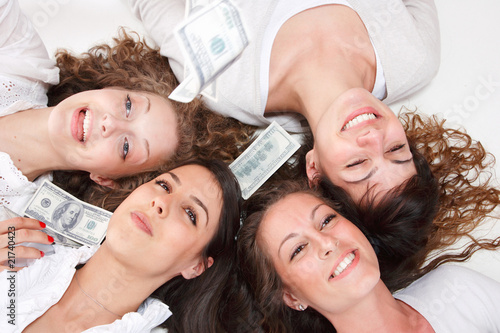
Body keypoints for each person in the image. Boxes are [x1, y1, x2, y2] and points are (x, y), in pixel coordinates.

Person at [0, 0, 254, 264]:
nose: (110, 124)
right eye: (129, 105)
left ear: (106, 178)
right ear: (112, 86)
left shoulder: (18, 236)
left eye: (126, 147)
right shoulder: (18, 55)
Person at [130, 0, 440, 201]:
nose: (373, 137)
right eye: (396, 149)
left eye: (357, 163)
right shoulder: (413, 57)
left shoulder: (224, 85)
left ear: (314, 169)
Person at [0, 158, 242, 332]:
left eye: (191, 214)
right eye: (164, 185)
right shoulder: (14, 249)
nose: (160, 202)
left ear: (196, 266)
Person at [237, 180, 500, 332]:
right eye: (298, 249)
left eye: (327, 220)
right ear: (292, 297)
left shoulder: (455, 289)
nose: (327, 242)